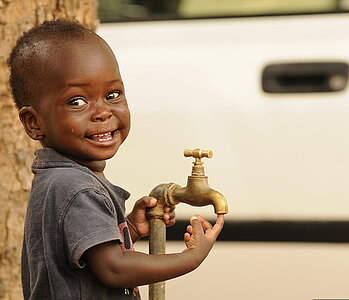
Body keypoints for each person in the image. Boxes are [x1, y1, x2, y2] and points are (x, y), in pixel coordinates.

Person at [8, 19, 224, 299]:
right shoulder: (75, 187)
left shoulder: (62, 179)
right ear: (34, 122)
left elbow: (84, 257)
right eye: (77, 101)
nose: (102, 112)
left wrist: (130, 229)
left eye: (112, 95)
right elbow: (114, 268)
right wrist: (190, 258)